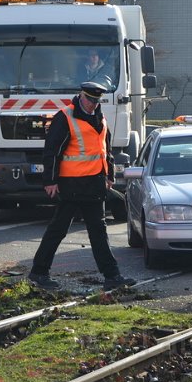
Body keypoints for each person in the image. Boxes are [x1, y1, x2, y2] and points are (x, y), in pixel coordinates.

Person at [28, 81, 136, 291]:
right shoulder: (65, 116)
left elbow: (106, 149)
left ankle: (112, 276)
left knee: (97, 232)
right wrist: (50, 181)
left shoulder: (100, 117)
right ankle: (39, 272)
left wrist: (109, 175)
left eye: (96, 101)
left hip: (94, 184)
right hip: (72, 185)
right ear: (81, 96)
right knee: (60, 230)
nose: (92, 104)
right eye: (90, 99)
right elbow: (52, 151)